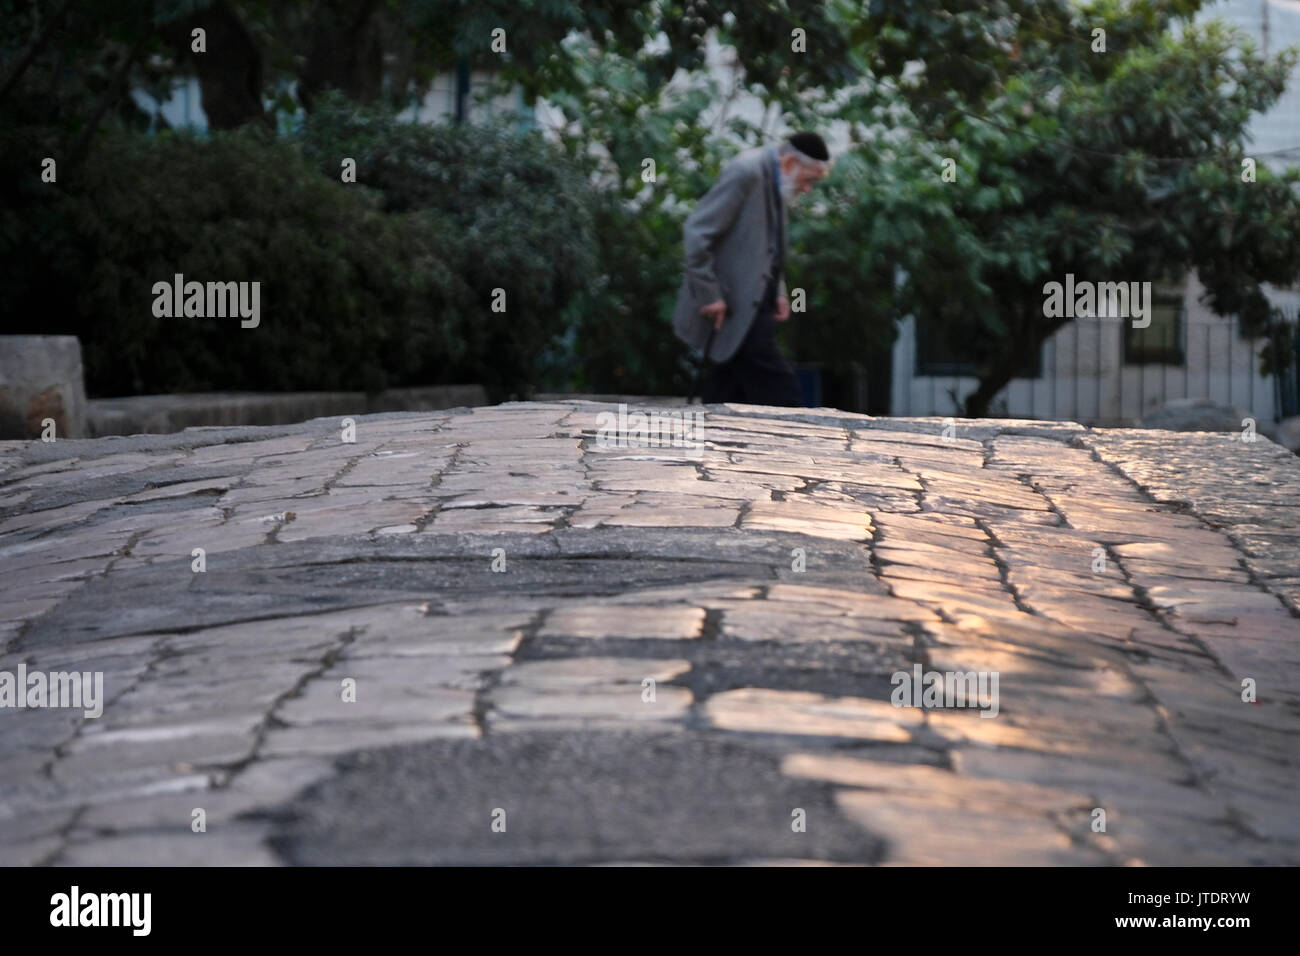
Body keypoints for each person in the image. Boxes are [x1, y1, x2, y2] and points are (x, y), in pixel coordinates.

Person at [672, 132, 831, 406]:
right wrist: (709, 294)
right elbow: (697, 233)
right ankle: (800, 442)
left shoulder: (777, 178)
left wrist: (778, 291)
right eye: (810, 180)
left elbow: (769, 245)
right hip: (734, 302)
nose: (807, 189)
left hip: (755, 302)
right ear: (791, 162)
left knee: (729, 387)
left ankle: (712, 438)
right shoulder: (747, 171)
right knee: (781, 389)